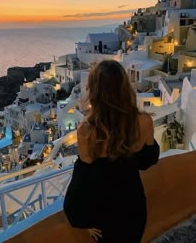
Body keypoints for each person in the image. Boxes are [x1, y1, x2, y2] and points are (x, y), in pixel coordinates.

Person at [64, 60, 160, 242]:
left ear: (94, 91)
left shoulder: (86, 131)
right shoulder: (143, 122)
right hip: (133, 208)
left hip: (103, 216)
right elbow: (148, 160)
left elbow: (82, 183)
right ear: (125, 87)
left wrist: (82, 220)